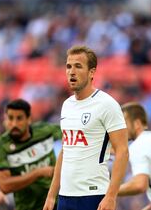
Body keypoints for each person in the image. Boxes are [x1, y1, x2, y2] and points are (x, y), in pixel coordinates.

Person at [43, 45, 129, 210]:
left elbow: (123, 151)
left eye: (78, 66)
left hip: (93, 195)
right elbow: (65, 150)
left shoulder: (107, 104)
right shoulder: (67, 105)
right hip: (65, 197)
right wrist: (51, 195)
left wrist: (111, 196)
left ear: (92, 72)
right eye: (68, 66)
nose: (71, 71)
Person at [0, 98, 62, 210]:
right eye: (10, 118)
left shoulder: (45, 131)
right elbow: (4, 185)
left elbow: (71, 138)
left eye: (19, 118)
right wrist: (37, 173)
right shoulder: (0, 147)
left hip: (55, 202)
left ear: (29, 119)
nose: (14, 123)